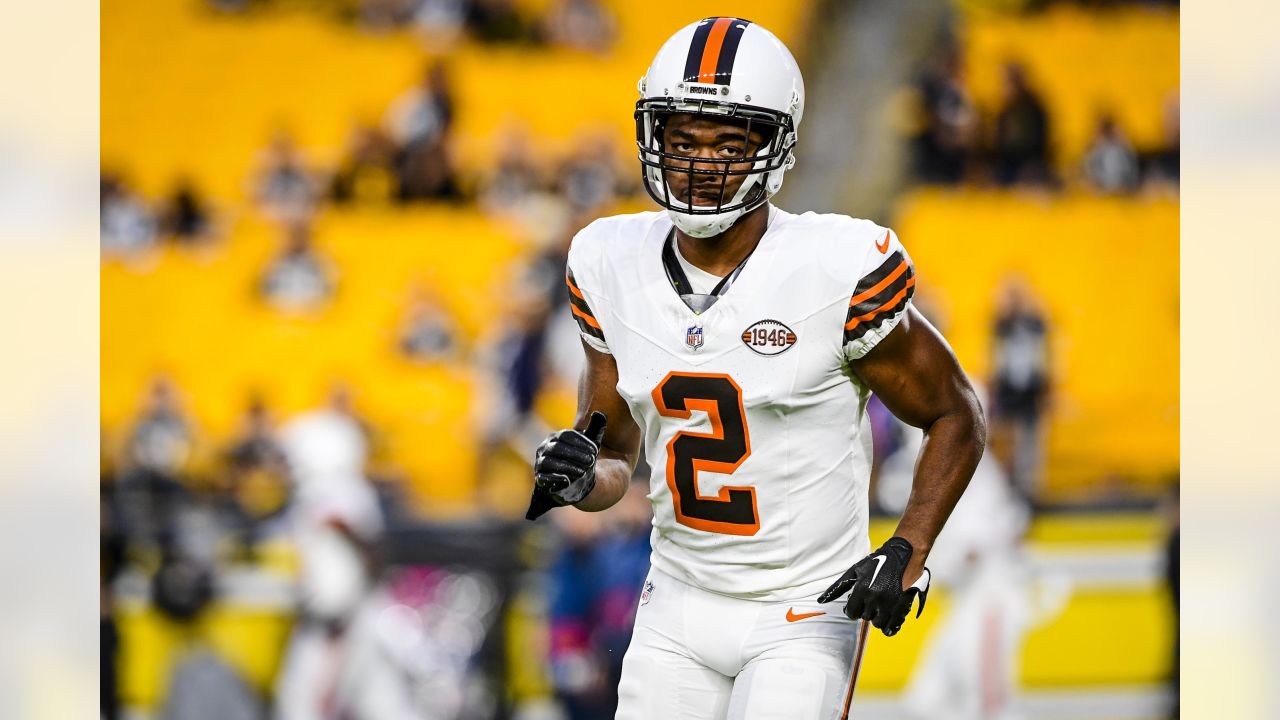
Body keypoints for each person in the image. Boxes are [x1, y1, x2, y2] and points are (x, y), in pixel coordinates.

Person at [524, 18, 987, 720]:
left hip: (804, 608)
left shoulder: (835, 269)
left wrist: (910, 546)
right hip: (676, 600)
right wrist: (582, 477)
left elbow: (957, 412)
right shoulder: (606, 262)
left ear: (774, 148)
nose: (700, 163)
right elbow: (616, 457)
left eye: (727, 143)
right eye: (682, 141)